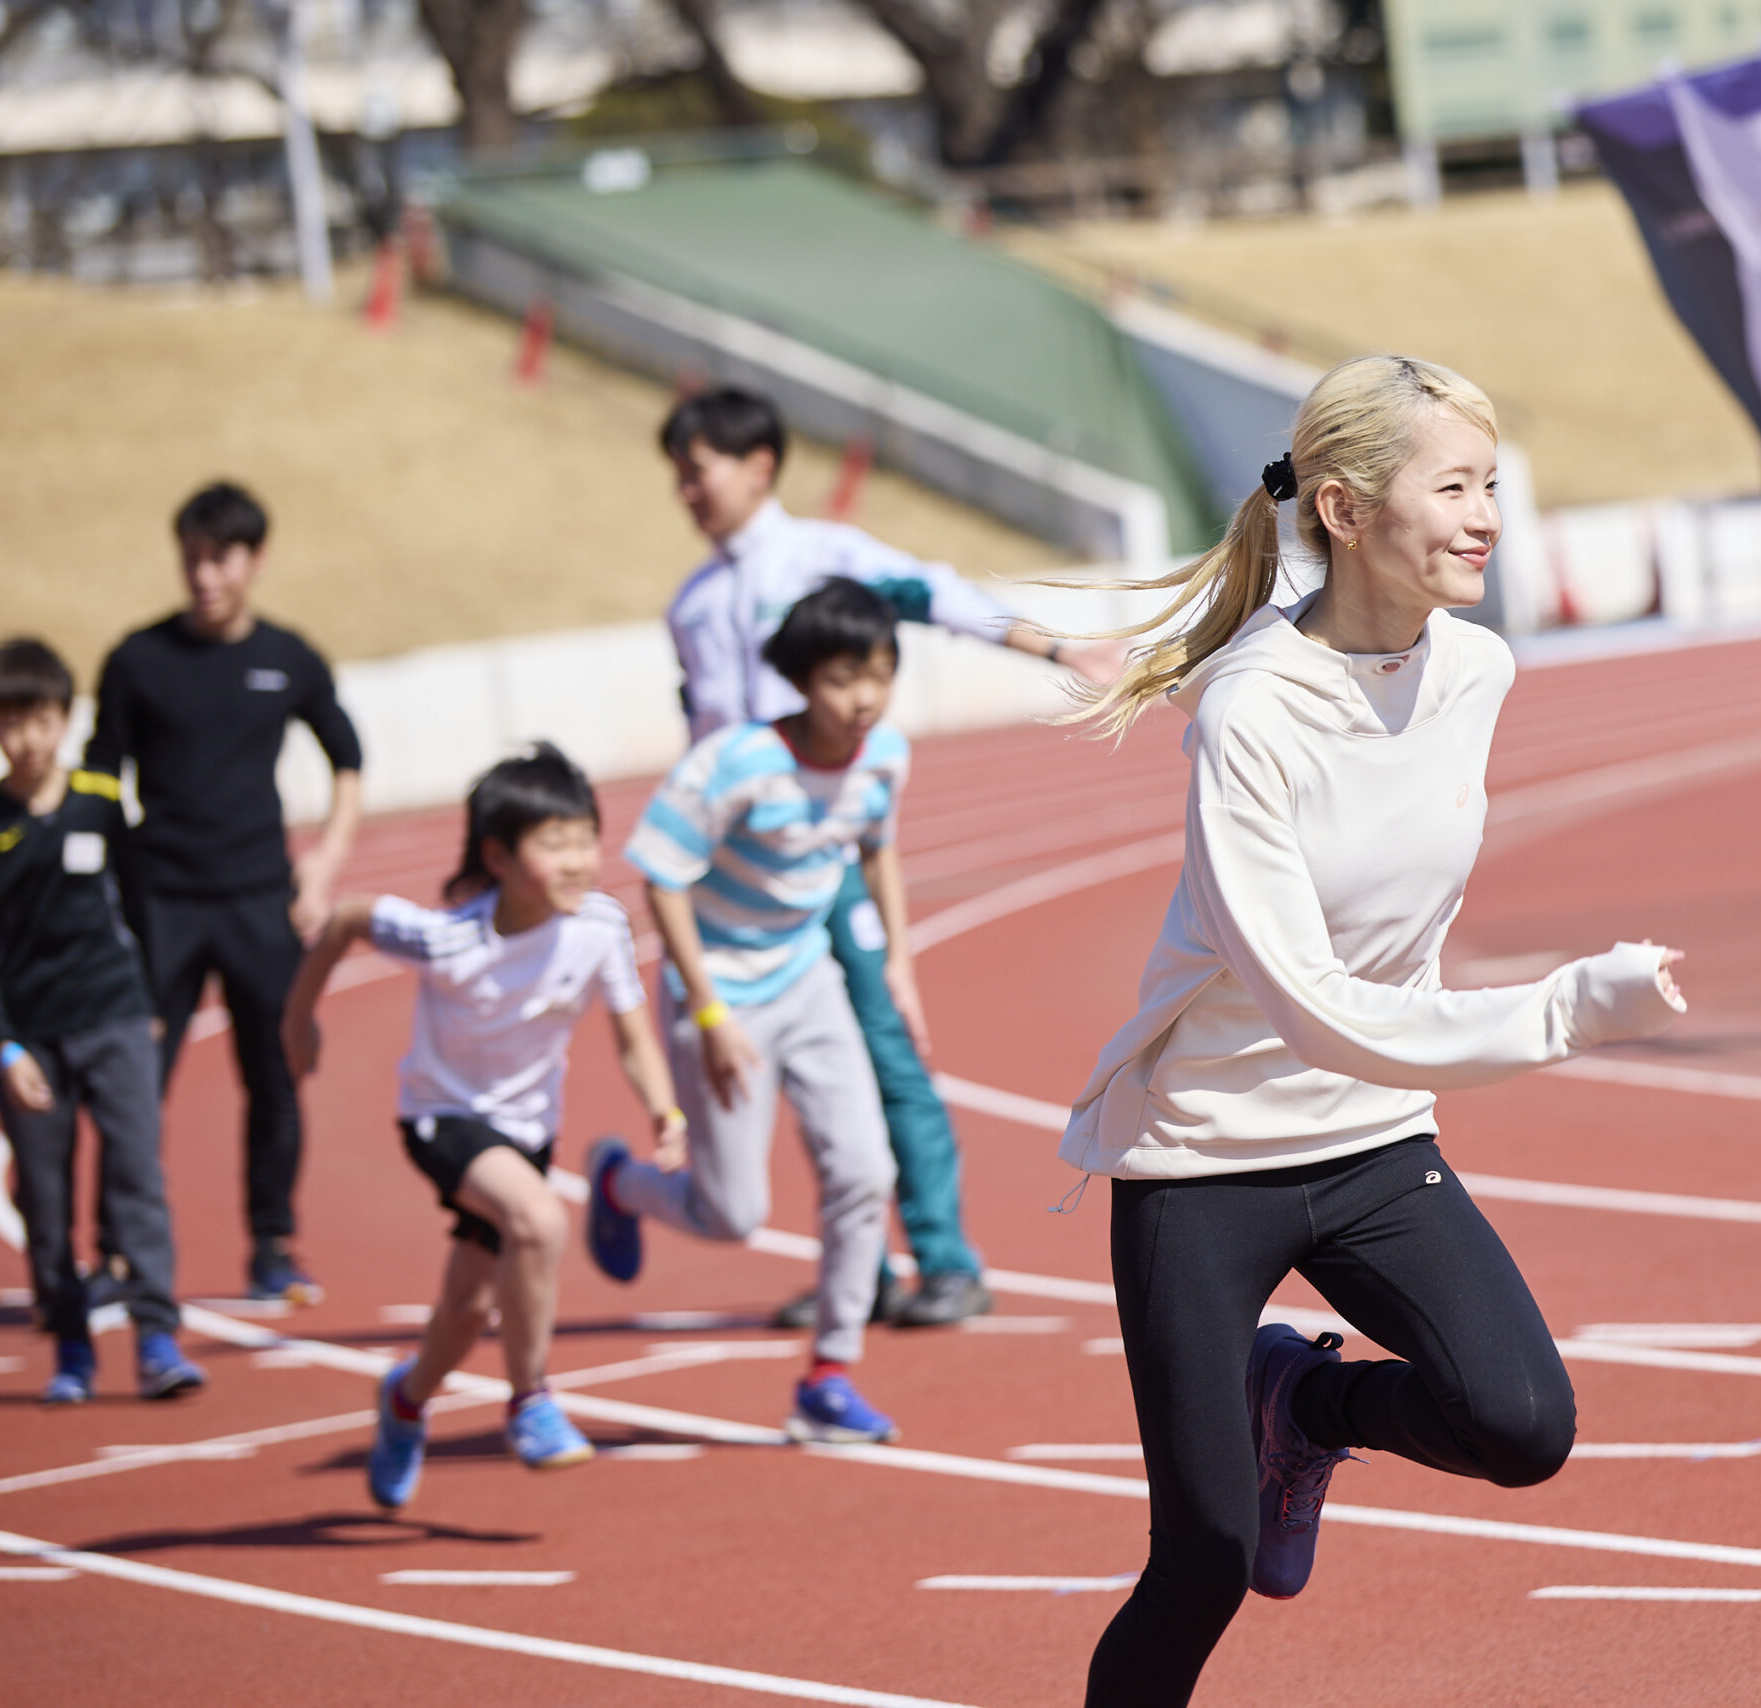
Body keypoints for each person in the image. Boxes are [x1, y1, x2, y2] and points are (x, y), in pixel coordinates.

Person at [1057, 357, 1690, 1706]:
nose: (1484, 519)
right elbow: (1306, 1002)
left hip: (1371, 1140)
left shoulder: (1478, 669)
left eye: (1493, 487)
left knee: (1521, 1427)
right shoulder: (1248, 714)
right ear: (1342, 510)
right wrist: (1565, 1011)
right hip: (1205, 1159)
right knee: (1206, 1558)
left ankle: (1307, 1407)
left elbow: (1383, 982)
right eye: (1452, 487)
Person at [658, 387, 1123, 1329]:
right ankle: (857, 1272)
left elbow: (939, 600)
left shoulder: (830, 557)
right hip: (742, 873)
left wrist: (1061, 647)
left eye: (697, 470)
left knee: (886, 1047)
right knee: (799, 1067)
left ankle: (945, 1257)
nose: (685, 491)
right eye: (677, 475)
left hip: (827, 851)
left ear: (757, 467)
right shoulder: (692, 605)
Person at [280, 743, 683, 1509]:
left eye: (583, 840)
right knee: (537, 1220)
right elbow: (344, 922)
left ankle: (405, 1400)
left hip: (529, 1132)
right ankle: (531, 1400)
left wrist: (665, 1109)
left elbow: (633, 1037)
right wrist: (296, 1022)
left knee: (467, 1307)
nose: (575, 861)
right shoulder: (450, 938)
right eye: (552, 843)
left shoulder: (601, 926)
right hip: (444, 1119)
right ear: (496, 856)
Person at [584, 578, 916, 1445]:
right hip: (720, 995)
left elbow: (877, 850)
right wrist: (710, 1016)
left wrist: (899, 970)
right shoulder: (735, 764)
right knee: (731, 1214)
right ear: (803, 681)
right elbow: (661, 876)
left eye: (880, 674)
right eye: (845, 678)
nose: (865, 698)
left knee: (865, 1173)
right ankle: (619, 1181)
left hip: (809, 982)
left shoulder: (884, 755)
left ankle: (829, 1375)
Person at [83, 481, 364, 1305]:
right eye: (192, 558)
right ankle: (118, 1256)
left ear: (256, 560)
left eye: (221, 559)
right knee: (134, 1083)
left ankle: (273, 1244)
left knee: (275, 1076)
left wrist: (324, 865)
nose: (204, 576)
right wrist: (102, 886)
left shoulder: (290, 658)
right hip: (160, 903)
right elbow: (101, 780)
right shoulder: (138, 660)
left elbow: (348, 757)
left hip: (260, 903)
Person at [0, 639, 205, 1406]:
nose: (28, 740)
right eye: (9, 724)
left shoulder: (98, 799)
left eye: (41, 720)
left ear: (66, 719)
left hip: (117, 1018)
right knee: (49, 1201)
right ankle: (71, 1346)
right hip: (34, 1039)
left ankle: (157, 1337)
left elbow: (142, 901)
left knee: (136, 1178)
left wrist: (156, 1006)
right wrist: (6, 1047)